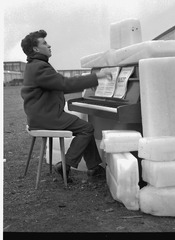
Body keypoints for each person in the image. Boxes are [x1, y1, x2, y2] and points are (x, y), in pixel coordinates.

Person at [21, 30, 112, 183]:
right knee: (86, 129)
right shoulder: (39, 67)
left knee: (84, 126)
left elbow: (61, 83)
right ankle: (66, 165)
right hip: (45, 117)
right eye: (44, 43)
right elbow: (65, 84)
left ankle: (94, 168)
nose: (49, 45)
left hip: (42, 114)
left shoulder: (37, 65)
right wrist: (96, 77)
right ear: (36, 49)